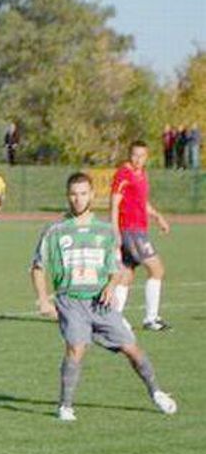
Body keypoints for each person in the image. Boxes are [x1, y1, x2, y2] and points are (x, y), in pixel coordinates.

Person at [30, 172, 177, 422]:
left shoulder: (105, 231)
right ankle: (65, 406)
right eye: (73, 194)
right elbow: (37, 267)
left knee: (132, 349)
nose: (78, 199)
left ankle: (157, 392)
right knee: (76, 348)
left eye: (83, 193)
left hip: (101, 302)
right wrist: (43, 299)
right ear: (67, 196)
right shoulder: (55, 230)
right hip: (71, 301)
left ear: (91, 195)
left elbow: (116, 268)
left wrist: (111, 284)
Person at [109, 140, 173, 331]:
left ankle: (115, 317)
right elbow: (114, 204)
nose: (138, 159)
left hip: (139, 229)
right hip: (130, 230)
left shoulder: (142, 174)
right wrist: (115, 232)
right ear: (129, 155)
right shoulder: (123, 174)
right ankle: (151, 319)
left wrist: (157, 216)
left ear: (147, 157)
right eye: (134, 155)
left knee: (127, 274)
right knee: (157, 269)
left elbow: (142, 202)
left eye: (142, 156)